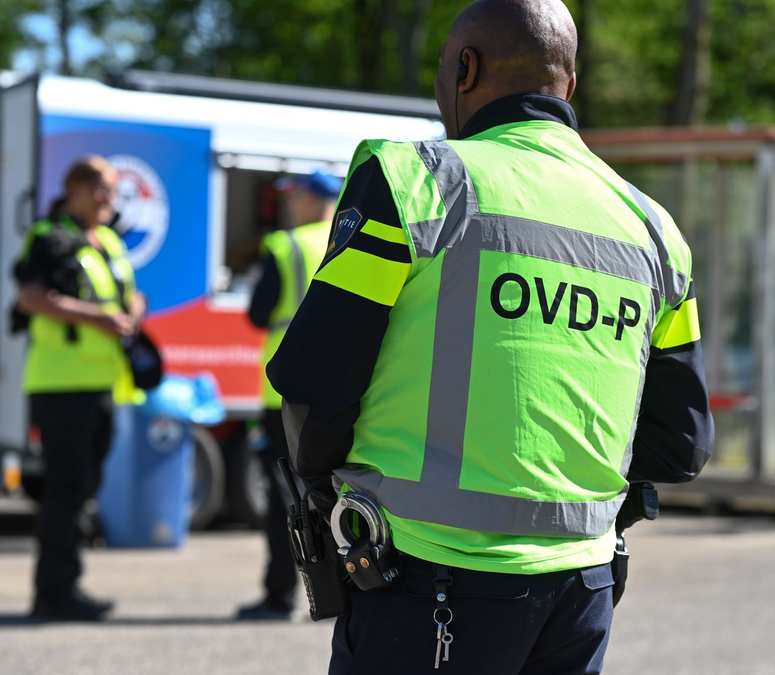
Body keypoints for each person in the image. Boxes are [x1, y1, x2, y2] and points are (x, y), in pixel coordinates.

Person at [267, 1, 714, 673]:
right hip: (583, 588)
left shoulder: (414, 182)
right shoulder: (653, 228)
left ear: (465, 69)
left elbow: (313, 379)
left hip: (424, 579)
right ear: (570, 81)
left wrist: (330, 503)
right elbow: (682, 442)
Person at [15, 156, 146, 621]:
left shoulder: (108, 239)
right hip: (60, 383)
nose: (109, 199)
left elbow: (126, 292)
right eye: (102, 190)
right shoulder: (49, 238)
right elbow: (30, 298)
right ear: (74, 189)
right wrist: (100, 319)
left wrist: (133, 306)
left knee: (83, 486)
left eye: (112, 191)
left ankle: (64, 585)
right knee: (66, 488)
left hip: (103, 381)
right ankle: (53, 593)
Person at [237, 170, 342, 621]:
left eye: (294, 195)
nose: (289, 203)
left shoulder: (286, 247)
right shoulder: (352, 237)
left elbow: (258, 314)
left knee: (288, 501)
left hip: (284, 395)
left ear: (312, 198)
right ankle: (347, 594)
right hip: (341, 390)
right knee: (338, 496)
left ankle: (280, 595)